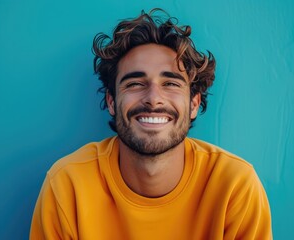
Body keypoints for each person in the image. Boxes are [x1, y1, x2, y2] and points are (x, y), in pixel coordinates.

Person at [30, 9, 272, 240]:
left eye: (171, 84)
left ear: (194, 104)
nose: (153, 98)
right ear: (112, 102)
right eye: (135, 83)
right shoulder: (67, 185)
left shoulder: (234, 186)